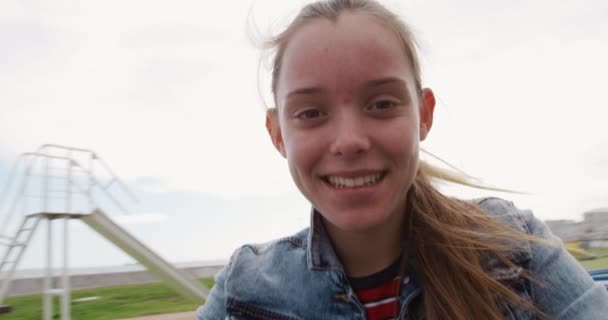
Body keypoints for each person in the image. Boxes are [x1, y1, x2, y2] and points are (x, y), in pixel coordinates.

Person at [197, 0, 608, 319]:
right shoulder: (245, 291)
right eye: (311, 113)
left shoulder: (512, 246)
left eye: (381, 104)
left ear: (424, 115)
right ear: (278, 134)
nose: (350, 141)